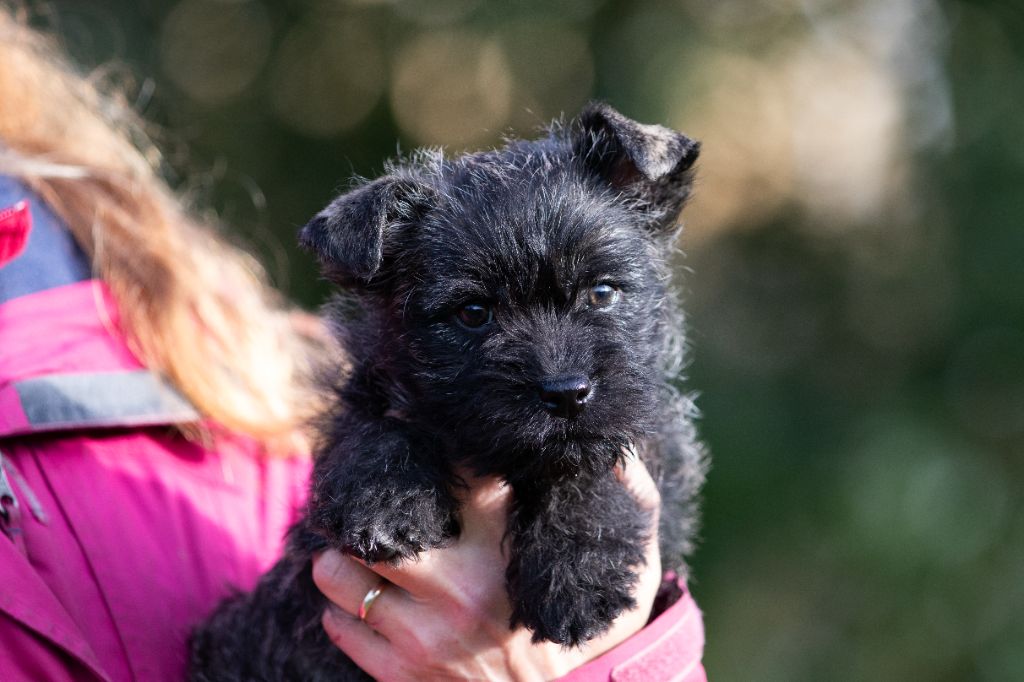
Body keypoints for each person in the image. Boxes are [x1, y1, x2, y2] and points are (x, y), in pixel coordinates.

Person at [0, 9, 706, 681]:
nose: (561, 369)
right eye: (472, 314)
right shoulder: (362, 422)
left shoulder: (213, 338)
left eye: (602, 297)